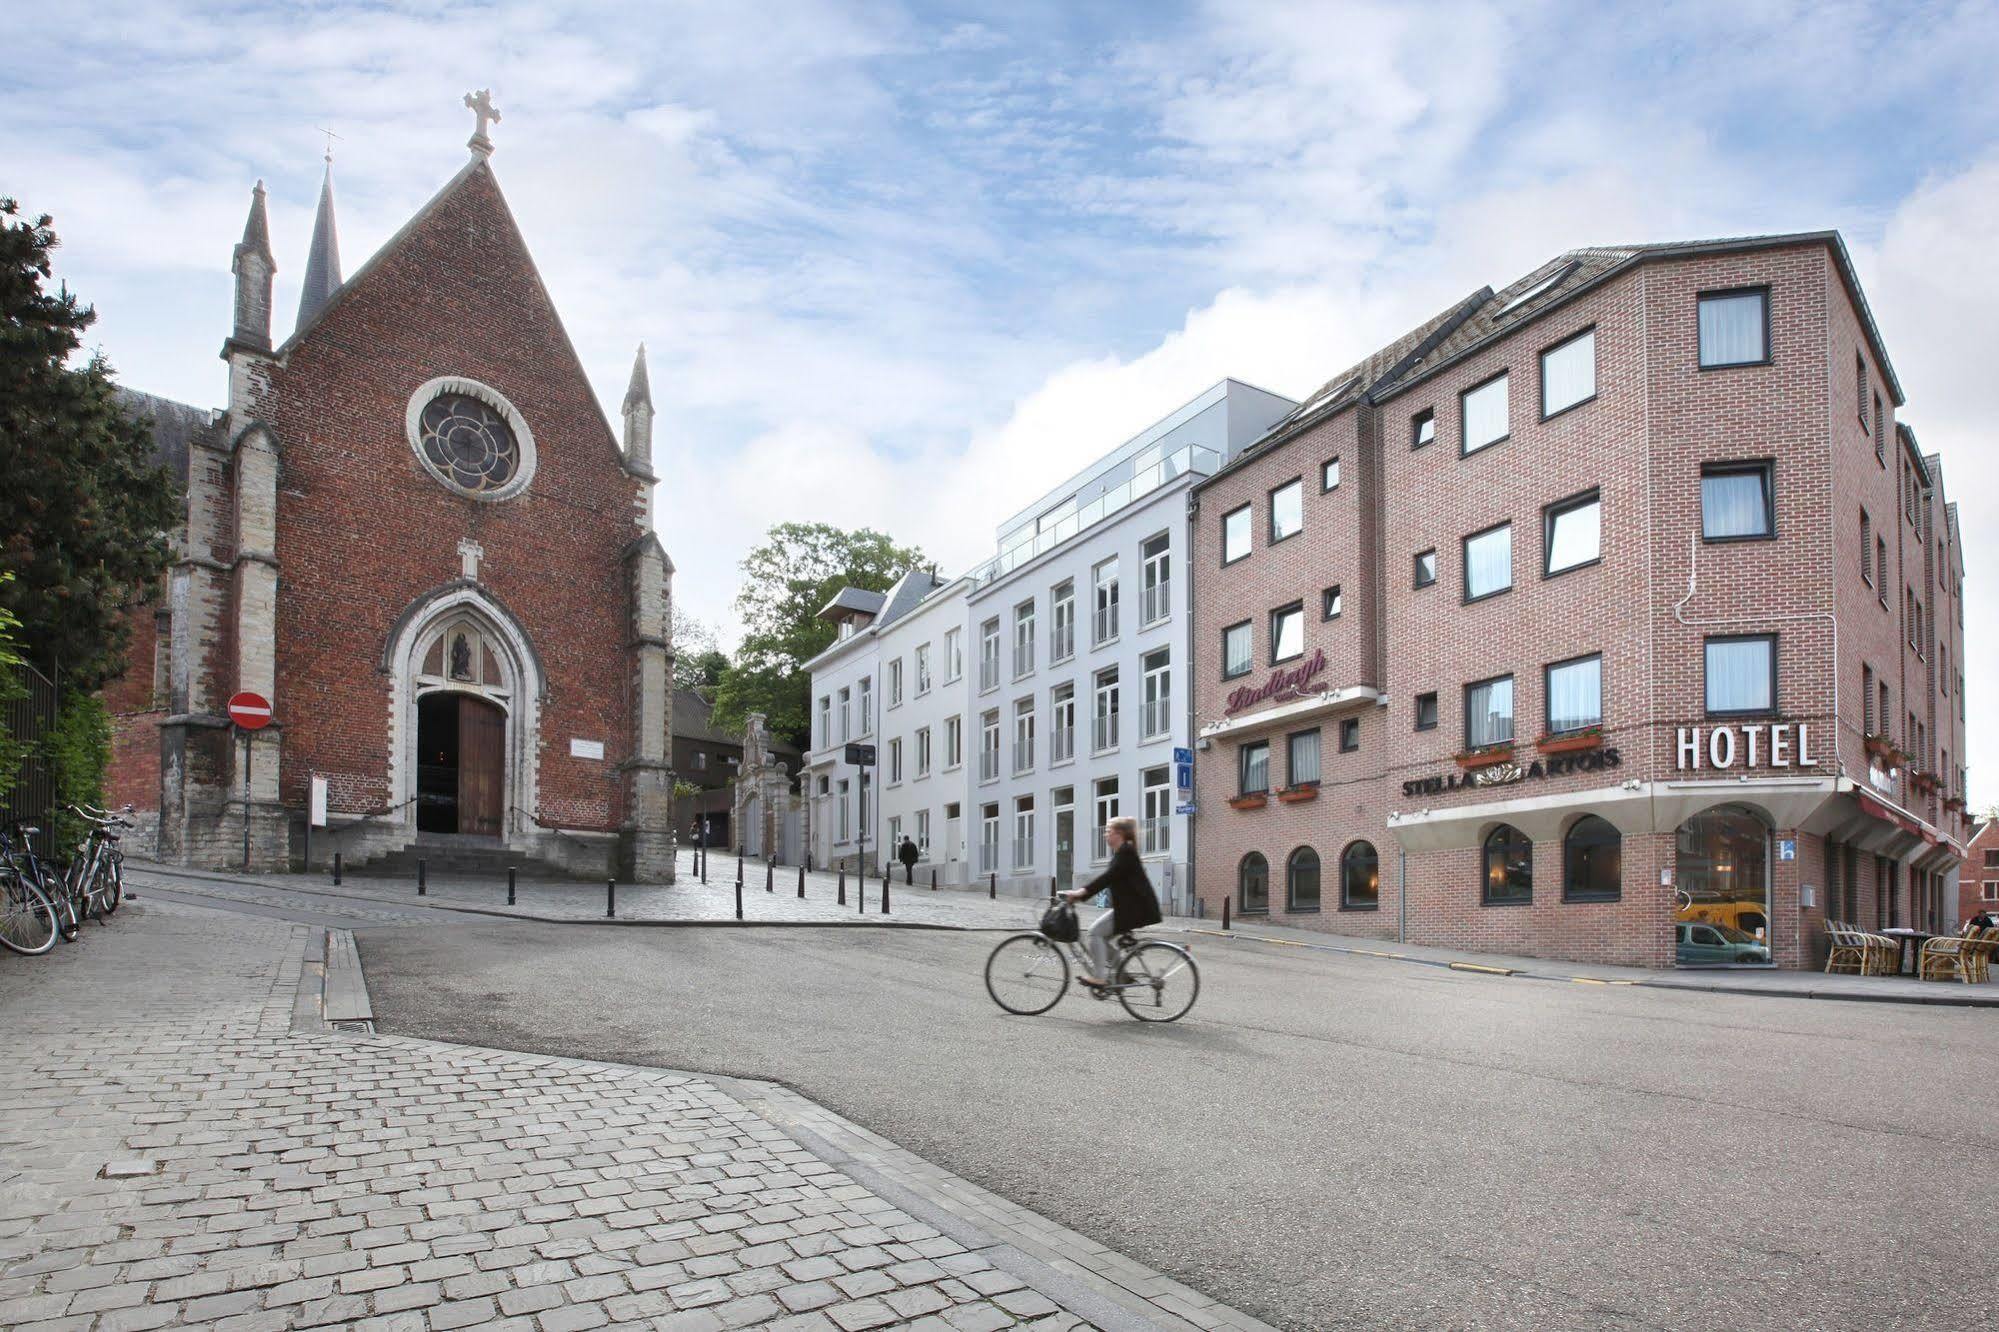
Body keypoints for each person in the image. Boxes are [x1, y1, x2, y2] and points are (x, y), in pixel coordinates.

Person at [1061, 816, 1162, 988]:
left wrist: (1080, 893)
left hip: (1135, 910)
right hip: (1131, 909)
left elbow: (1106, 878)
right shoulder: (1123, 852)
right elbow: (1108, 878)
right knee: (1100, 936)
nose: (1104, 835)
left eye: (1108, 831)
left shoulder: (1126, 853)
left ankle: (1100, 977)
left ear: (1119, 834)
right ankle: (1121, 974)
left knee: (1094, 933)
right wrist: (1081, 894)